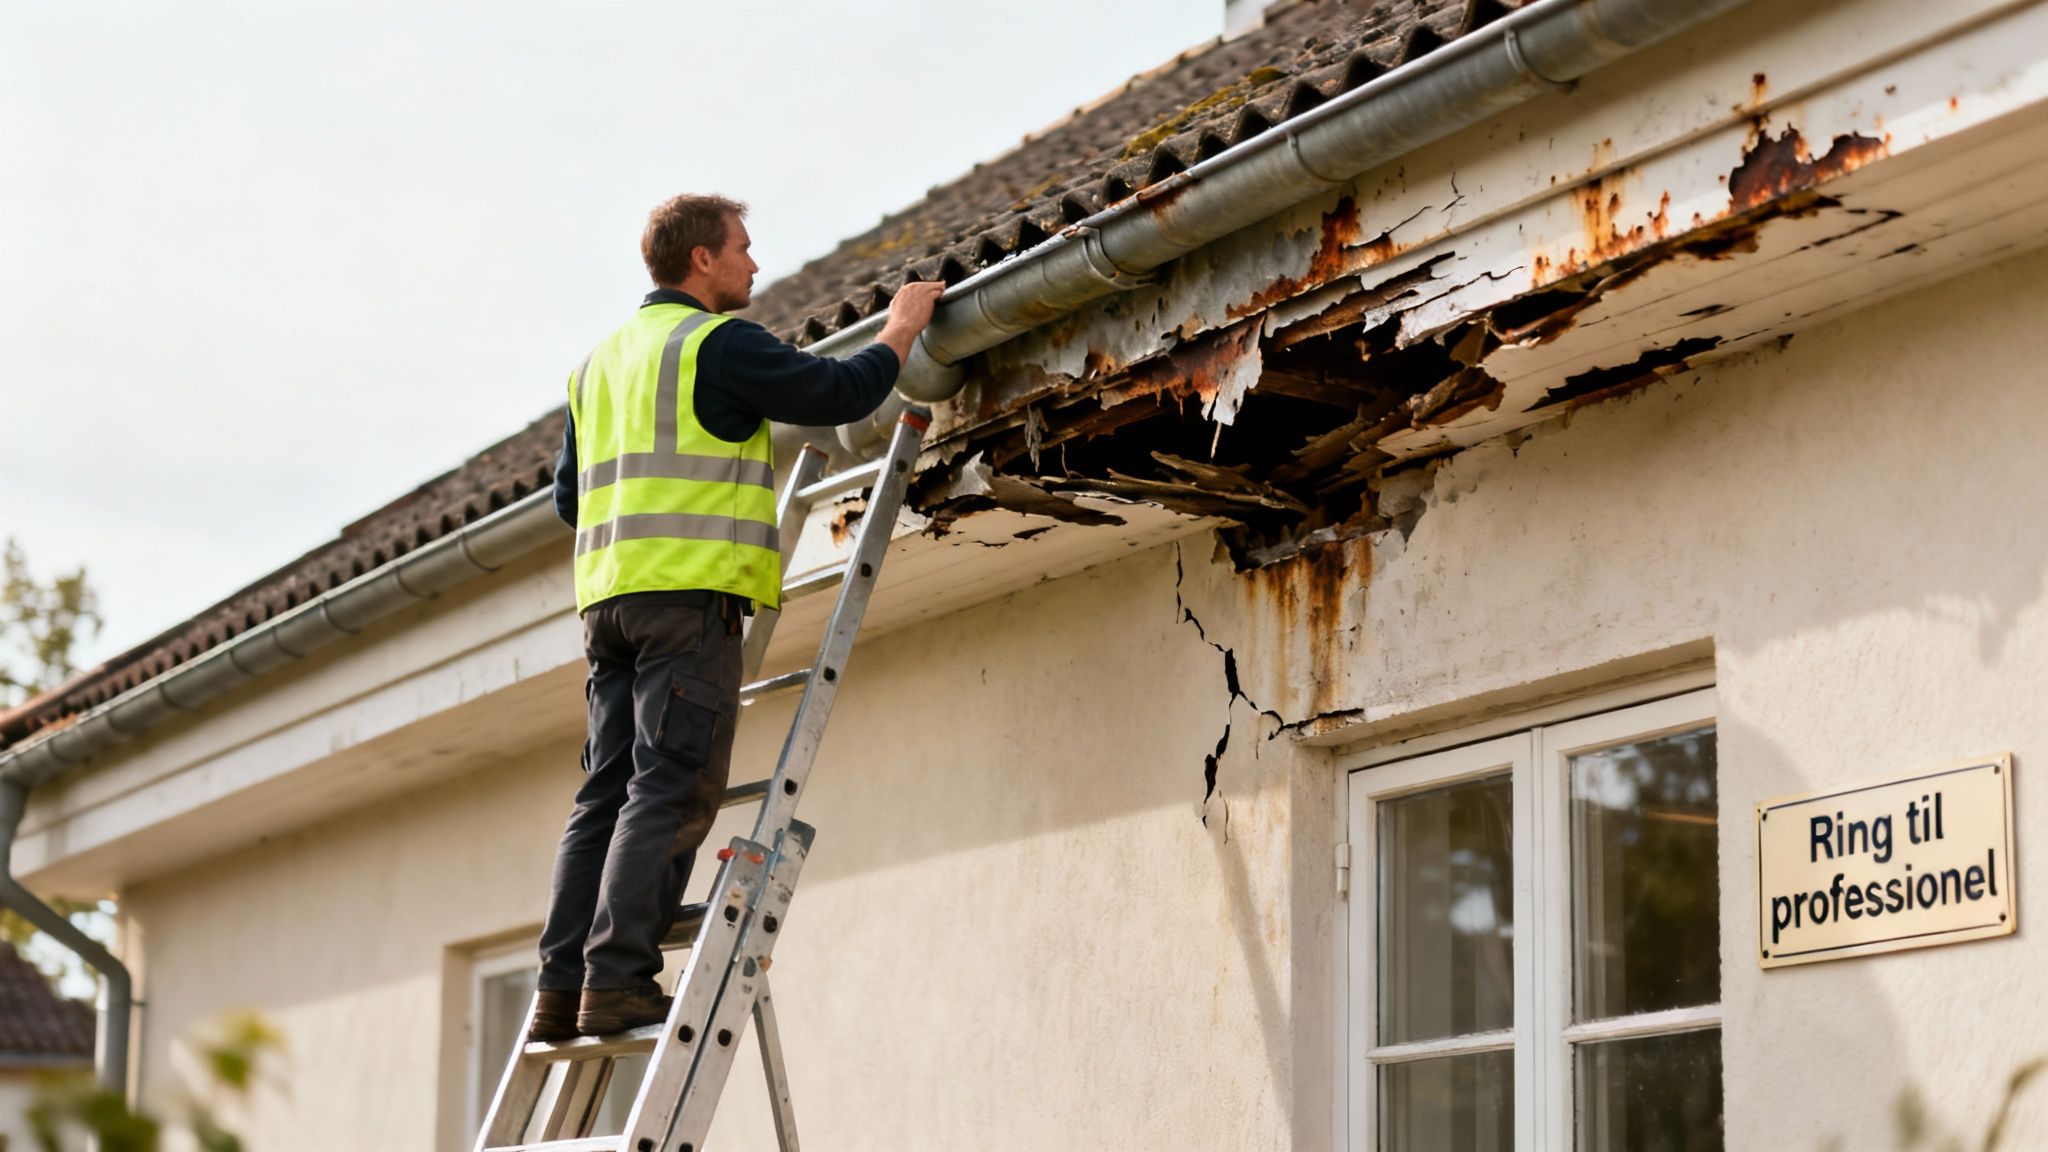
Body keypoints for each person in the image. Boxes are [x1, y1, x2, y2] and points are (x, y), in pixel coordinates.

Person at [533, 193, 945, 1040]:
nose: (756, 264)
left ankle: (558, 986)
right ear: (702, 262)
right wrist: (901, 327)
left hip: (609, 604)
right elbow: (837, 391)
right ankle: (614, 982)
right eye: (745, 249)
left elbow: (571, 499)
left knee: (604, 794)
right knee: (669, 785)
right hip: (689, 598)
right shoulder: (714, 345)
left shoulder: (596, 365)